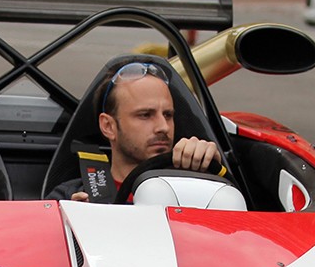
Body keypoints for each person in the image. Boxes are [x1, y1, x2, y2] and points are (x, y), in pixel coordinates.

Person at [47, 59, 221, 202]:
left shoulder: (196, 188)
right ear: (108, 126)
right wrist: (71, 222)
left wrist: (212, 176)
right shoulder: (69, 198)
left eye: (168, 115)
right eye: (145, 115)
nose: (163, 127)